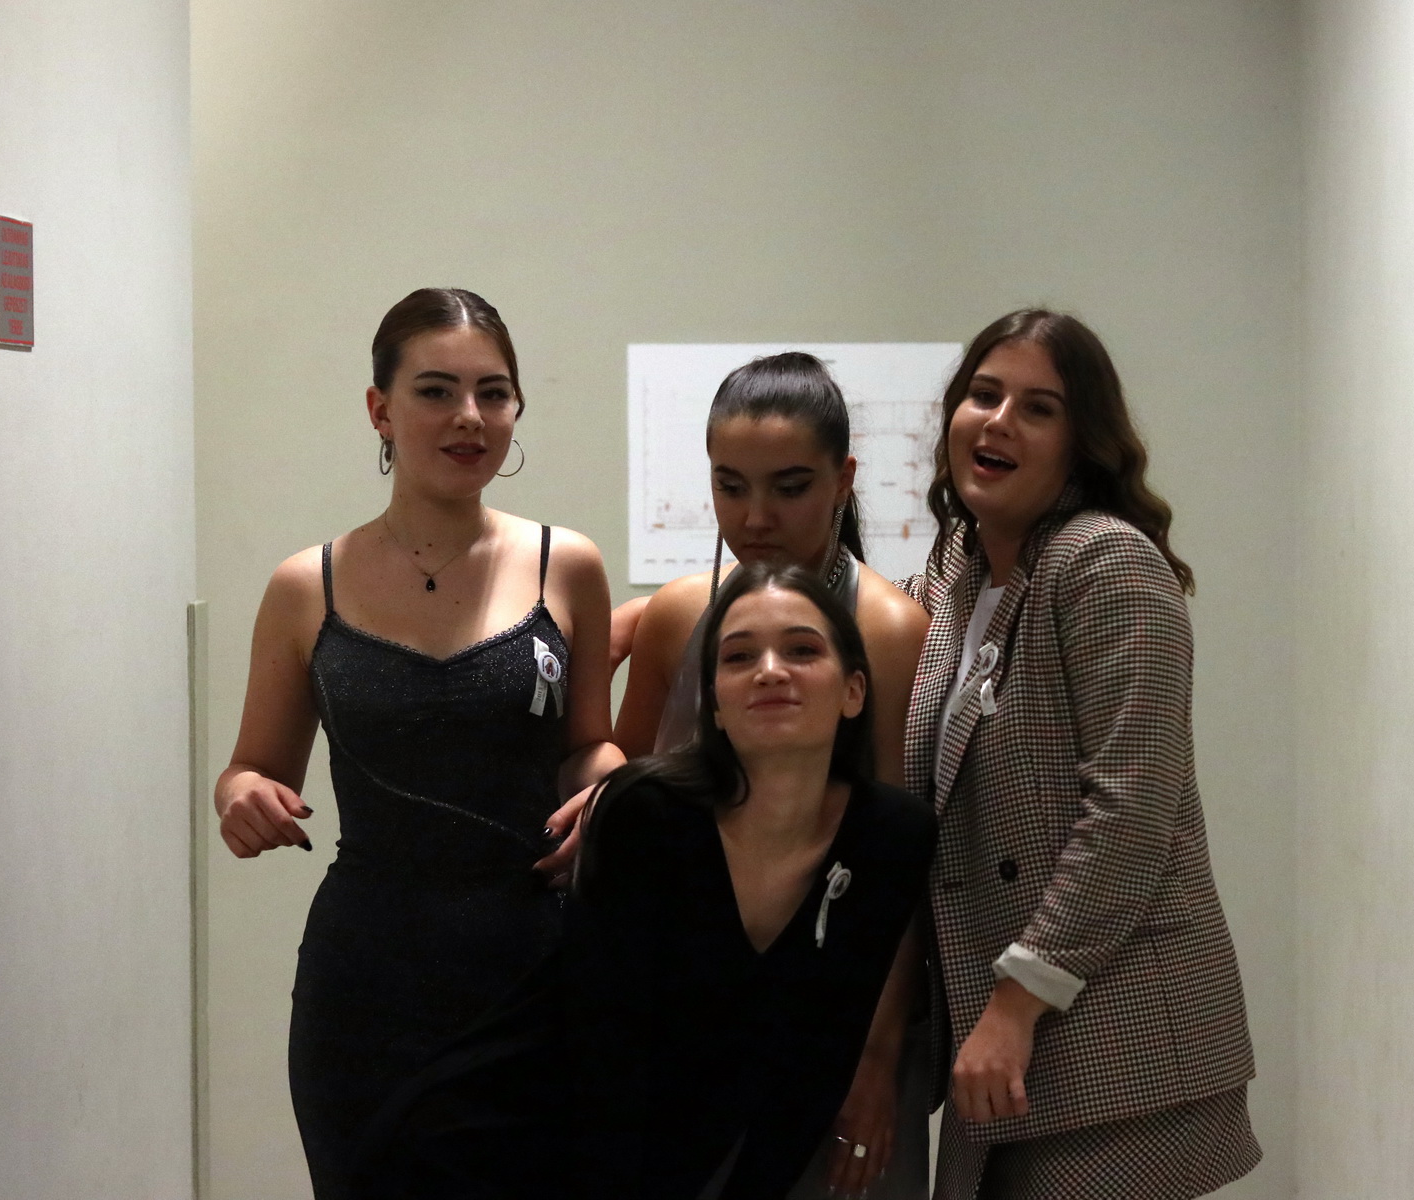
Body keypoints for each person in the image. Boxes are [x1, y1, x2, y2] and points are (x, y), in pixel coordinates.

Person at [212, 287, 622, 1198]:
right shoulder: (305, 585)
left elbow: (588, 743)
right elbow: (251, 767)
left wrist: (612, 787)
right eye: (436, 391)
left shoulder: (568, 565)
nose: (469, 416)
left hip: (532, 970)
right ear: (380, 410)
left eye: (493, 393)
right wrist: (239, 796)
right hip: (366, 982)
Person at [360, 563, 939, 1200]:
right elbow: (608, 1059)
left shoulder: (892, 837)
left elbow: (816, 1064)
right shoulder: (648, 812)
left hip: (675, 1156)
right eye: (739, 656)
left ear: (855, 690)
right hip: (490, 1147)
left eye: (802, 650)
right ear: (714, 704)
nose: (771, 671)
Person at [901, 310, 1260, 1199]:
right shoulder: (958, 570)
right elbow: (842, 622)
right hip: (1012, 1033)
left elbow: (1132, 812)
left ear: (1081, 442)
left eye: (1039, 408)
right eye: (984, 395)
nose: (999, 422)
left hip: (1112, 1036)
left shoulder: (1105, 563)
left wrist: (1017, 1001)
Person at [581, 352, 931, 1198]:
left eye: (790, 486)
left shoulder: (888, 630)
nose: (756, 516)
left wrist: (878, 1059)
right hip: (683, 1021)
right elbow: (622, 771)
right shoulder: (678, 614)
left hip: (836, 1008)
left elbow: (897, 873)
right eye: (730, 485)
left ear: (844, 480)